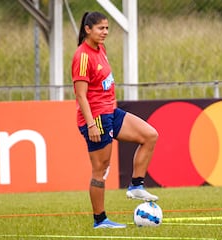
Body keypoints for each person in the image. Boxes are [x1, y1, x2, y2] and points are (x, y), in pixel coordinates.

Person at [71, 11, 159, 229]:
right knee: (101, 170)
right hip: (96, 118)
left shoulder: (101, 48)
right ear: (87, 29)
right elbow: (80, 95)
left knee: (150, 135)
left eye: (107, 28)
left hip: (110, 112)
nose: (105, 32)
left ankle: (136, 186)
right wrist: (91, 124)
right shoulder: (82, 56)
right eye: (101, 28)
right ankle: (100, 220)